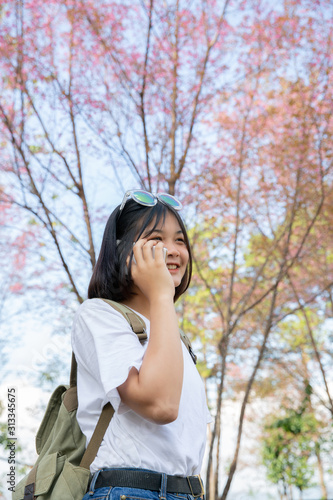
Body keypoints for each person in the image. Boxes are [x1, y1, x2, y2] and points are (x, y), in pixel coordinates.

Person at [72, 190, 211, 500]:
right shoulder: (98, 314)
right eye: (156, 239)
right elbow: (160, 405)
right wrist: (162, 294)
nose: (173, 250)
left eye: (180, 240)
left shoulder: (173, 337)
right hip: (130, 491)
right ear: (123, 251)